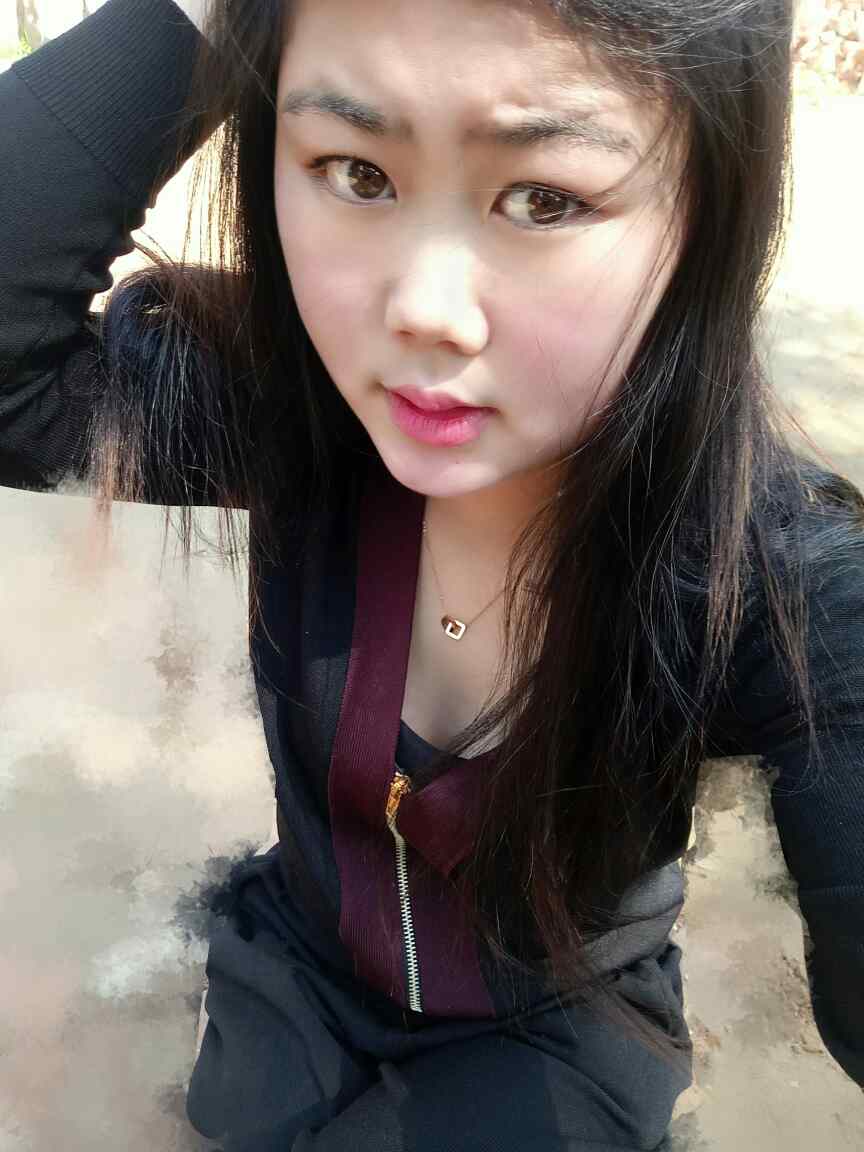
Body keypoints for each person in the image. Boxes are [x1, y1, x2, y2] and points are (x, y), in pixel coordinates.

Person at [1, 0, 862, 1147]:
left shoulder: (784, 587)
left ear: (707, 213)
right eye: (357, 172)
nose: (424, 312)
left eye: (544, 199)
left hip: (557, 1033)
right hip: (295, 965)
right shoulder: (296, 420)